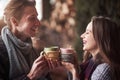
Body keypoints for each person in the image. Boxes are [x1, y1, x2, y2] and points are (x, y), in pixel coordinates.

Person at [0, 0, 55, 80]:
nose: (38, 23)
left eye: (37, 17)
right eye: (32, 18)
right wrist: (31, 76)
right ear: (14, 22)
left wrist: (45, 73)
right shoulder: (1, 50)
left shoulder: (33, 49)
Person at [62, 16, 120, 80]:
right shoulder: (89, 64)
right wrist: (75, 67)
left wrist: (74, 72)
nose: (82, 36)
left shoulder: (104, 70)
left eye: (87, 32)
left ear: (100, 37)